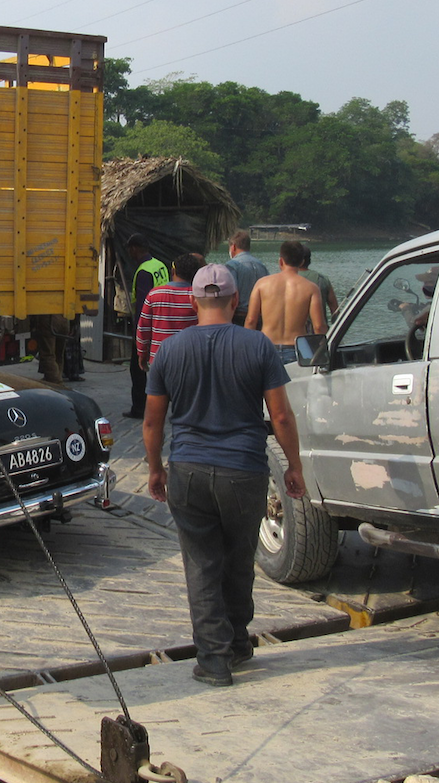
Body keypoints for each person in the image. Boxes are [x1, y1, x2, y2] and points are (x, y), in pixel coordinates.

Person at [144, 263, 306, 686]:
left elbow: (152, 423)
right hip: (244, 470)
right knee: (238, 561)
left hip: (189, 470)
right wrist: (294, 467)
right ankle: (237, 643)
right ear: (236, 302)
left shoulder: (169, 350)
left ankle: (215, 660)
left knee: (201, 565)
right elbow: (282, 417)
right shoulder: (258, 346)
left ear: (194, 301)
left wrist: (155, 469)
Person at [245, 239, 326, 364]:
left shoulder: (262, 284)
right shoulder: (311, 288)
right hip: (297, 349)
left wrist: (248, 350)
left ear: (281, 261)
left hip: (267, 346)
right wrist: (323, 353)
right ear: (302, 262)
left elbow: (251, 320)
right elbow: (318, 326)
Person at [123, 234, 169, 418]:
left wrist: (139, 333)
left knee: (138, 368)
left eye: (130, 250)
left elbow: (142, 306)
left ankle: (140, 408)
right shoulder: (160, 265)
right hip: (162, 323)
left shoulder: (143, 271)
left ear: (135, 248)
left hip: (148, 326)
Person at [135, 252, 203, 369]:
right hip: (190, 361)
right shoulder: (199, 297)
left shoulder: (154, 295)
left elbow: (143, 328)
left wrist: (142, 354)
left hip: (159, 359)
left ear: (172, 272)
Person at [223, 229, 269, 326]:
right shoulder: (261, 266)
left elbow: (231, 294)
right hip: (260, 318)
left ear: (233, 247)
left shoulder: (232, 266)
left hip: (239, 317)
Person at [295, 242, 340, 319]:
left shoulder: (287, 280)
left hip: (293, 330)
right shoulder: (322, 279)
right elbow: (335, 310)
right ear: (309, 260)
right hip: (320, 329)